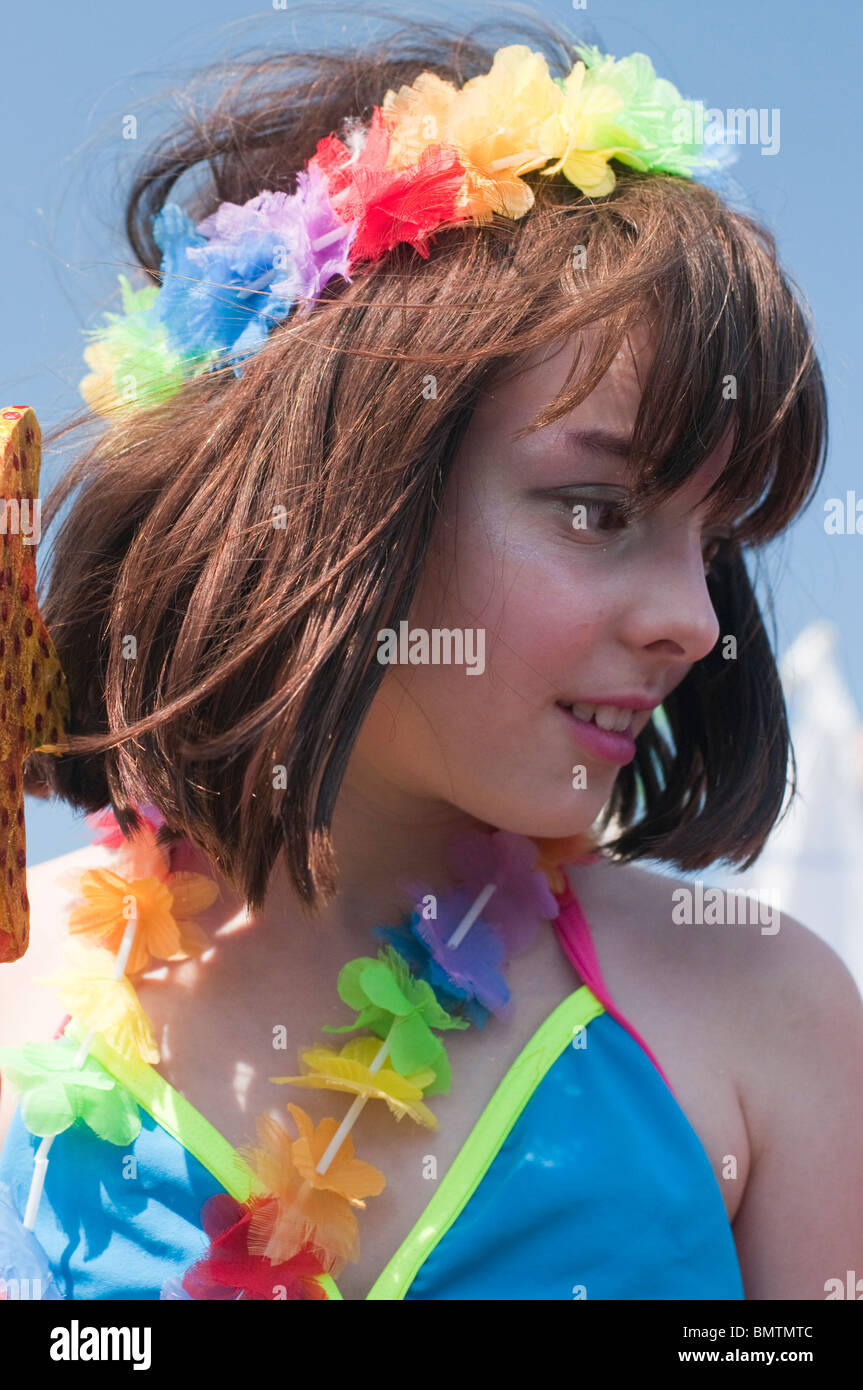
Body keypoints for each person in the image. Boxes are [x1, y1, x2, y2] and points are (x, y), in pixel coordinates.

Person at [1, 15, 861, 1302]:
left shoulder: (768, 1010)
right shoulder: (19, 1007)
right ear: (338, 488)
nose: (692, 617)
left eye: (716, 538)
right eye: (598, 509)